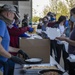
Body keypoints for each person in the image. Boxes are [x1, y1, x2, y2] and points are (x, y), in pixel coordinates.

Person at [0, 4, 25, 75]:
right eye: (14, 14)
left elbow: (4, 46)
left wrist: (18, 50)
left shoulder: (3, 24)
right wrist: (11, 57)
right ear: (8, 13)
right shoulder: (1, 23)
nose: (14, 17)